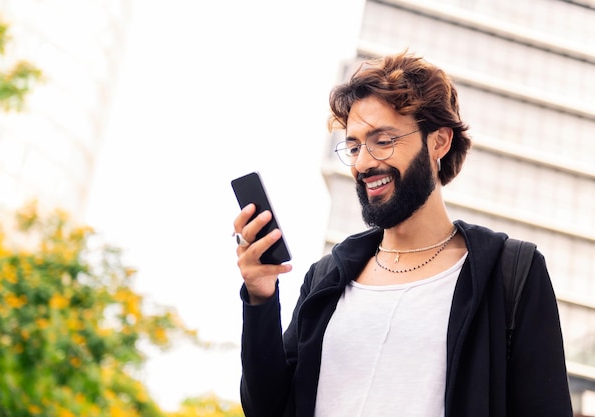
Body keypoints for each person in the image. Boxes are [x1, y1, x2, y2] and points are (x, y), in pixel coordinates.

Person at [232, 51, 573, 417]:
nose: (363, 162)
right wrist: (260, 297)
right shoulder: (328, 276)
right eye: (353, 146)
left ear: (439, 142)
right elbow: (265, 406)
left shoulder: (508, 272)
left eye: (383, 140)